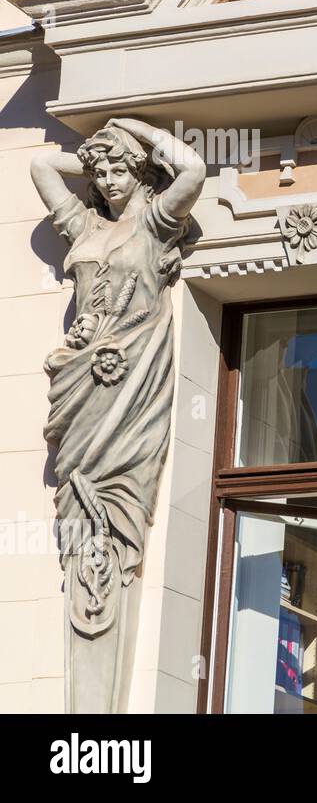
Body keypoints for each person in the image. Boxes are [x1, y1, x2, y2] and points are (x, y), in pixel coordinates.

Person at [30, 117, 205, 712]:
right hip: (82, 381)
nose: (105, 180)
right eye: (99, 171)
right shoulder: (83, 224)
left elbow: (193, 170)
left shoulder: (156, 224)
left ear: (138, 170)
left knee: (117, 497)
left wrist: (132, 130)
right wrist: (98, 148)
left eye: (115, 169)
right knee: (76, 498)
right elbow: (40, 167)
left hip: (132, 380)